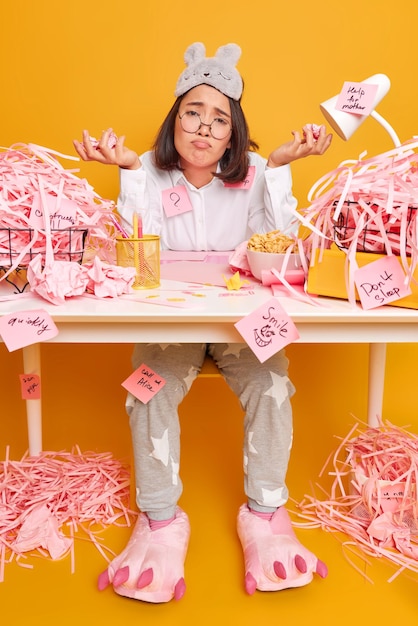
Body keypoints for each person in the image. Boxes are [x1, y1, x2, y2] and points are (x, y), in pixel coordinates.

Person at [74, 42, 333, 603]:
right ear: (176, 118)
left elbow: (282, 246)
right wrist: (126, 176)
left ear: (234, 132)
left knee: (273, 385)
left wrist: (284, 170)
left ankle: (265, 514)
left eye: (220, 119)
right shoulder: (145, 169)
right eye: (194, 111)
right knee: (145, 391)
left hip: (245, 323)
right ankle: (161, 520)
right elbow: (134, 261)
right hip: (174, 325)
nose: (204, 128)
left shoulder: (259, 171)